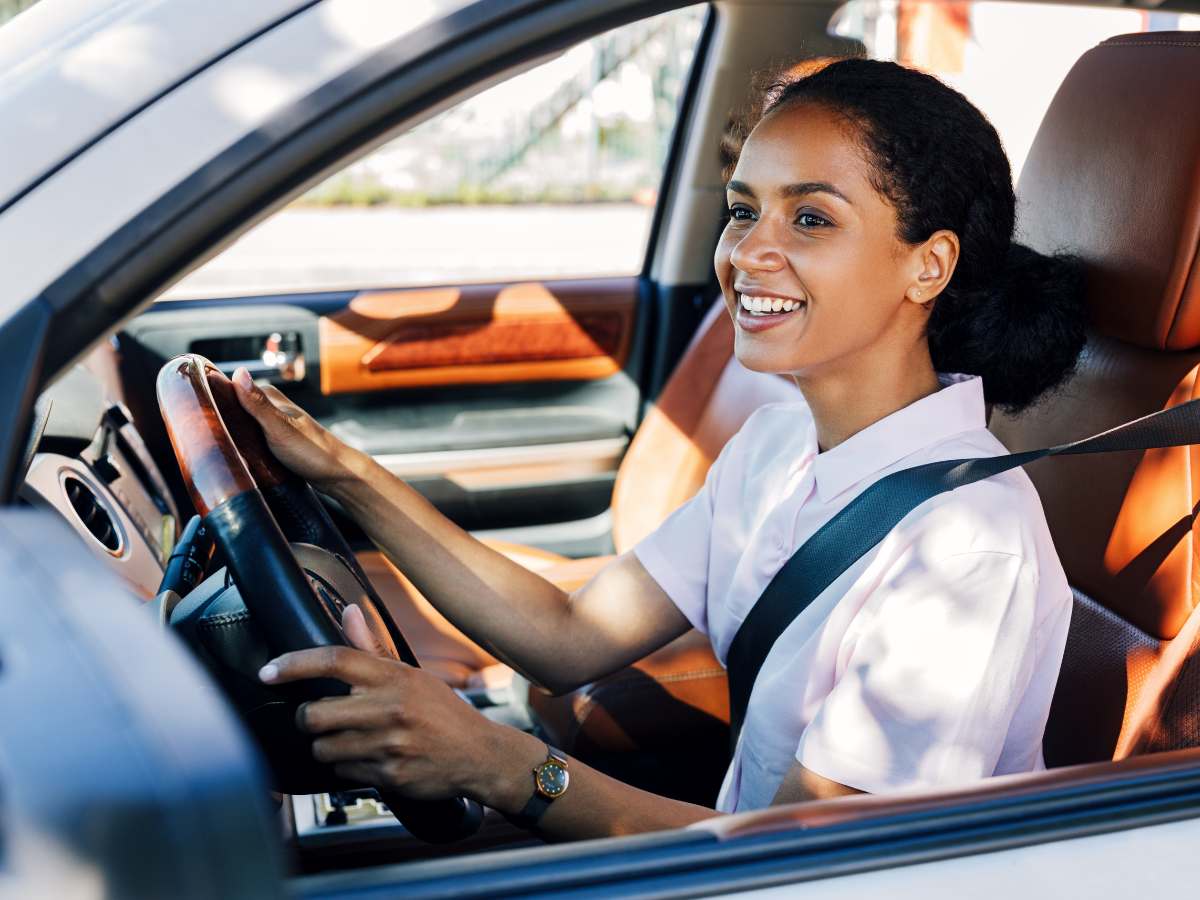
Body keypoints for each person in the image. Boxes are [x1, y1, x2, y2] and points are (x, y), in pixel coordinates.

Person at [237, 57, 1085, 841]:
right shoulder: (777, 443)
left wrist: (494, 761)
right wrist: (341, 472)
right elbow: (567, 635)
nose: (749, 252)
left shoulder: (966, 545)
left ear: (928, 266)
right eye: (744, 210)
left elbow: (812, 862)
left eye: (812, 218)